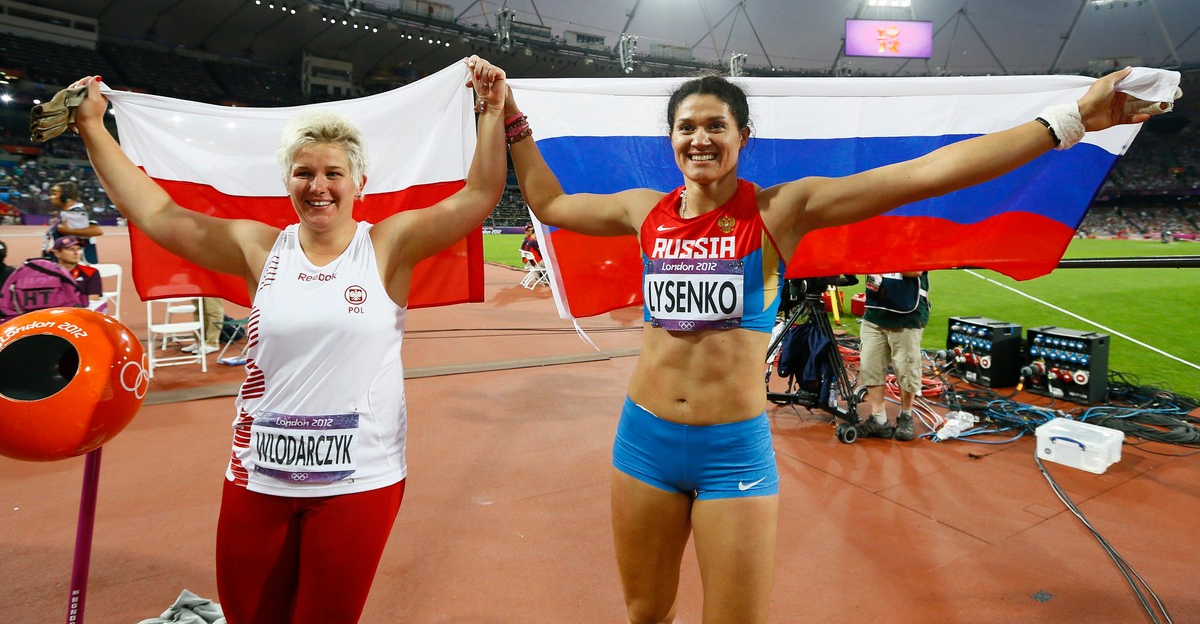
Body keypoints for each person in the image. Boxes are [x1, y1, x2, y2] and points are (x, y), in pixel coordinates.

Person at [503, 66, 1163, 622]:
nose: (699, 138)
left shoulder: (778, 212)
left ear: (742, 139)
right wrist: (512, 122)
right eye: (687, 127)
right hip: (643, 441)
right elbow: (550, 202)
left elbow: (925, 175)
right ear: (671, 139)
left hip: (731, 450)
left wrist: (1070, 120)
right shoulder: (638, 209)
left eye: (715, 126)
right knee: (646, 614)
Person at [68, 55, 508, 622]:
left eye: (332, 174)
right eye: (304, 173)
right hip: (259, 475)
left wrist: (492, 112)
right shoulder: (259, 249)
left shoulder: (387, 245)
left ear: (359, 183)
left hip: (359, 481)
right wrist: (91, 127)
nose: (318, 186)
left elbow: (478, 195)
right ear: (287, 182)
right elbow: (154, 210)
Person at [857, 271, 930, 441]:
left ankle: (906, 415)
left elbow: (916, 270)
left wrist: (881, 258)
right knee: (870, 365)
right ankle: (879, 419)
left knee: (906, 369)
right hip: (875, 312)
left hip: (907, 314)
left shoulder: (915, 243)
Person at [42, 181, 103, 263]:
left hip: (74, 267)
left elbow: (96, 230)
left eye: (55, 194)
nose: (51, 197)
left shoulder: (76, 212)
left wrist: (67, 231)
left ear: (66, 196)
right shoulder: (71, 212)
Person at [49, 236, 103, 302]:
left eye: (78, 249)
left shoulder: (91, 272)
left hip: (80, 310)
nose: (76, 253)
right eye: (71, 249)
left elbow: (93, 298)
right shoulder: (47, 273)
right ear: (57, 253)